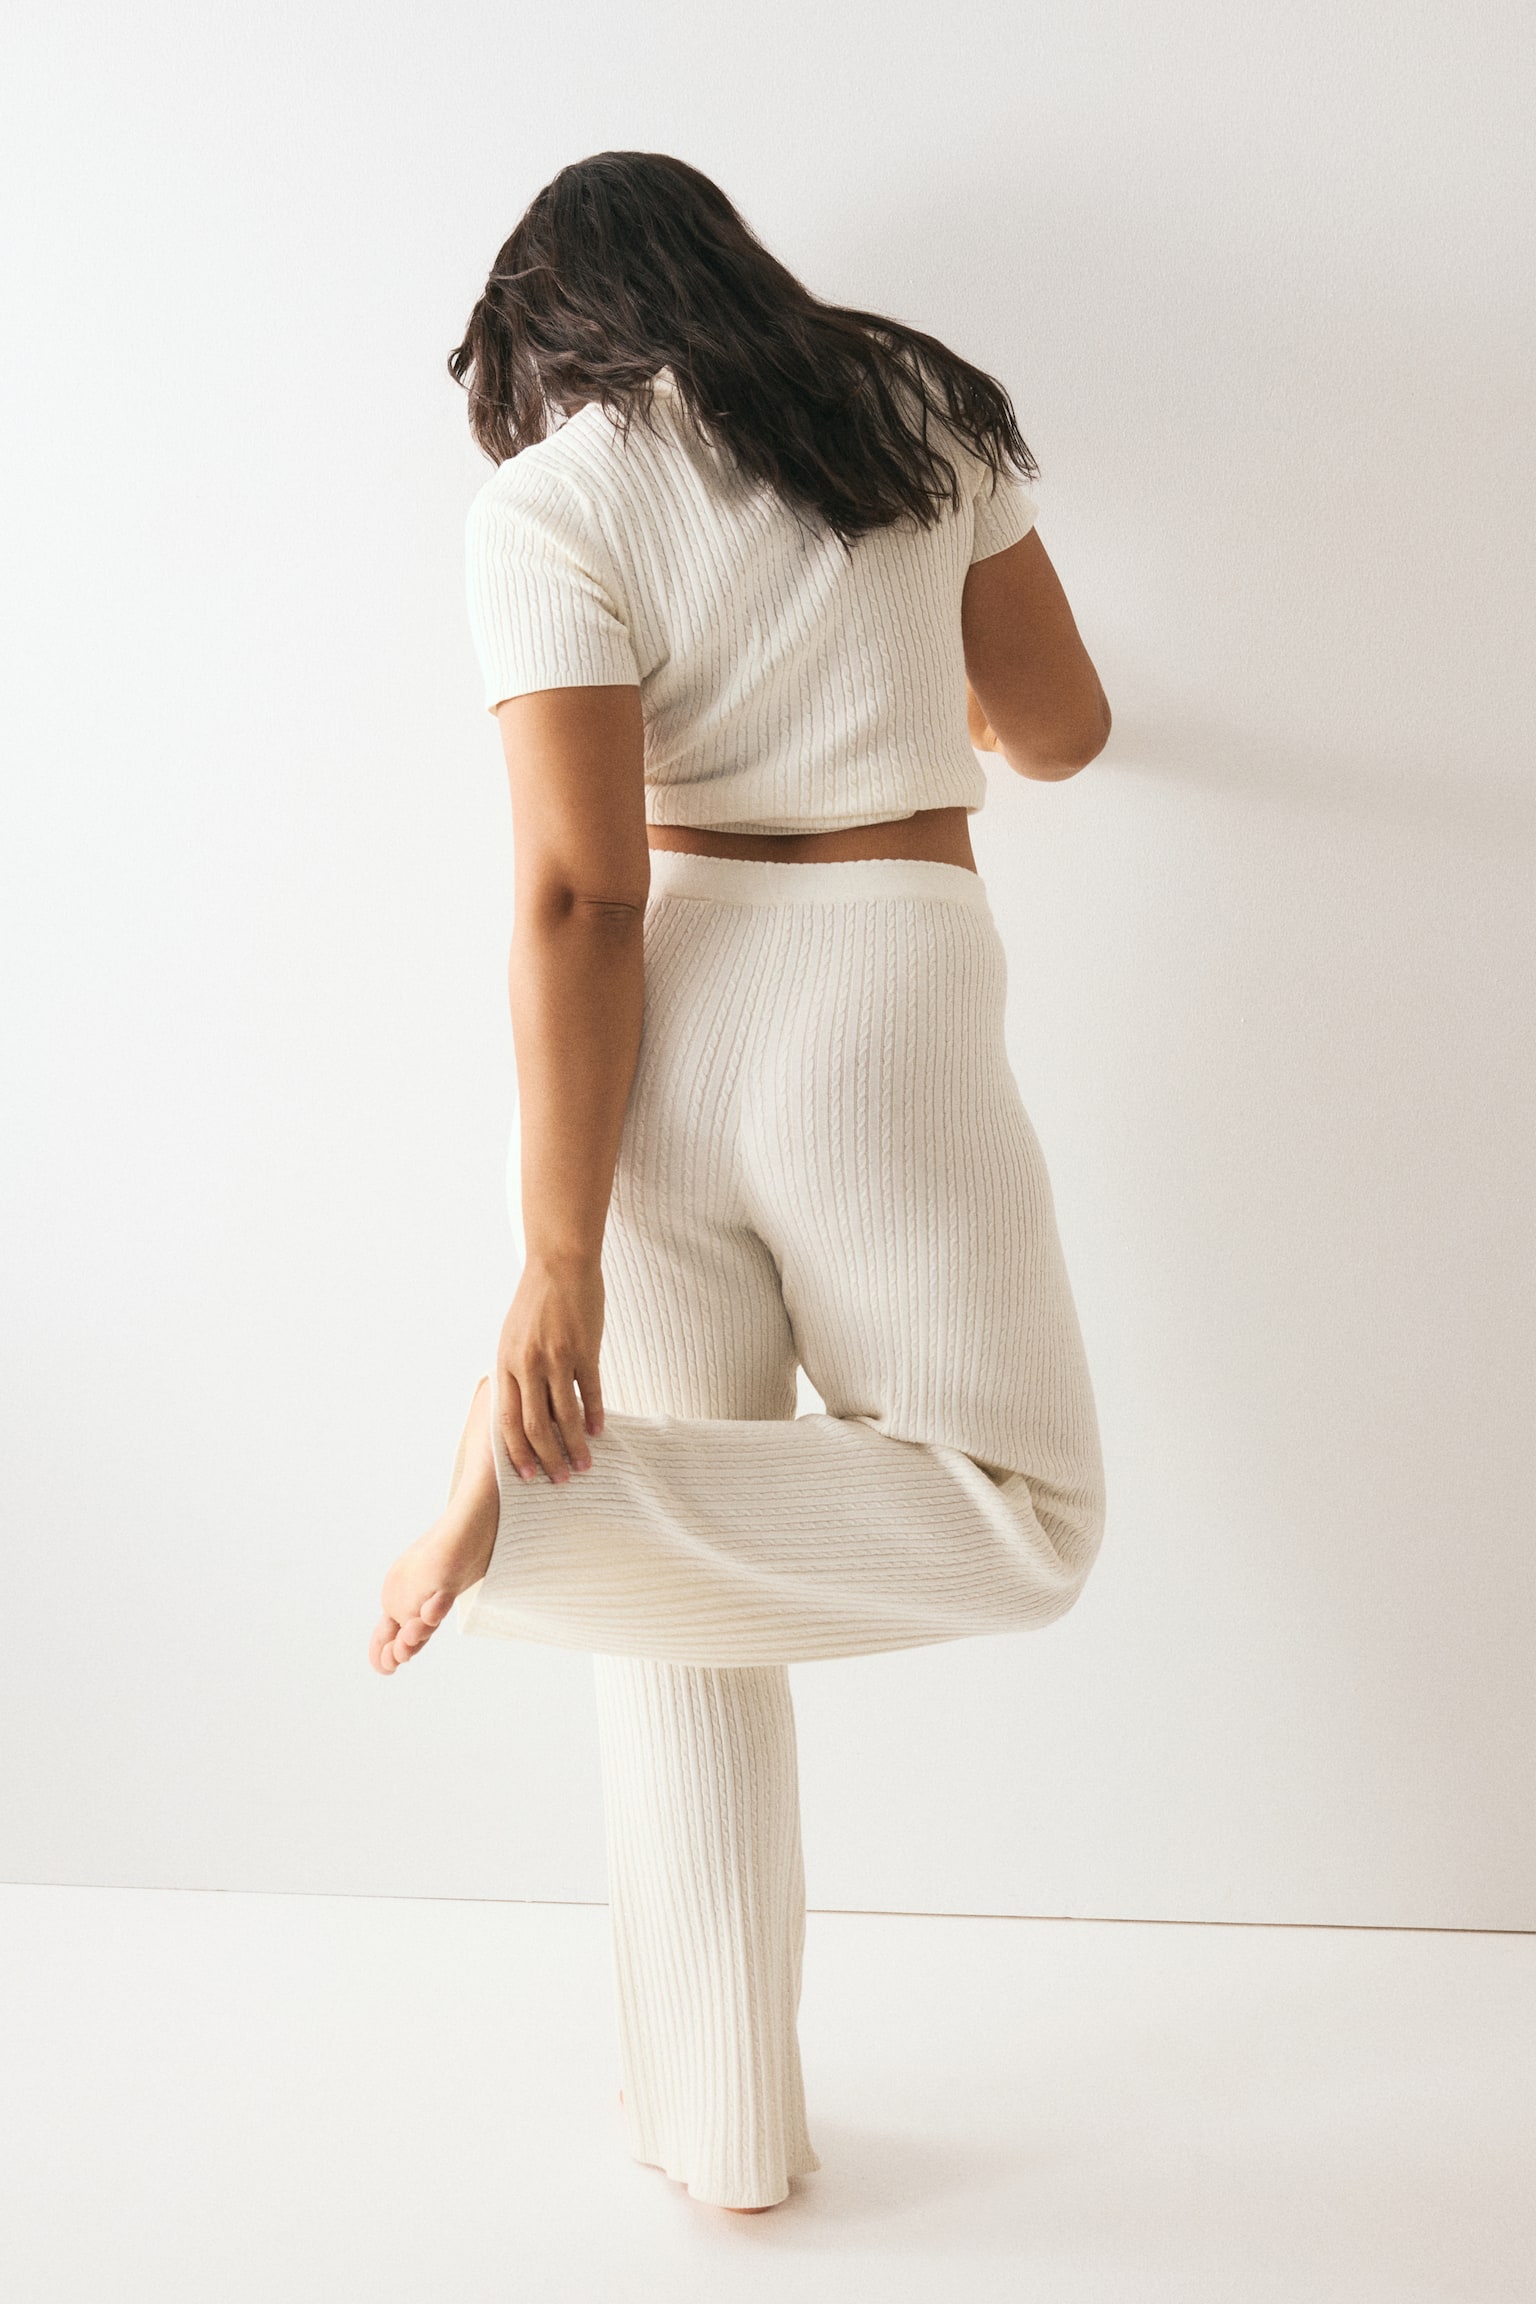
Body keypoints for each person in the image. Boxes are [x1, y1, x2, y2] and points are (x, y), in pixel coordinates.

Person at [368, 150, 1111, 2214]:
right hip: (887, 992)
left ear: (551, 339)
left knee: (684, 1632)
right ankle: (555, 1503)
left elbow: (579, 891)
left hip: (664, 1022)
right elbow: (1061, 729)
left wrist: (557, 1256)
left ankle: (724, 2142)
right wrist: (903, 685)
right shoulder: (920, 409)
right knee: (1027, 1515)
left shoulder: (551, 506)